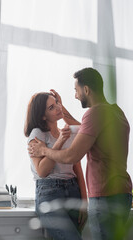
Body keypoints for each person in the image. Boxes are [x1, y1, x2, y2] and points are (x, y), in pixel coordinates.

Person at [28, 67, 133, 240]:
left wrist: (43, 150)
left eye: (76, 91)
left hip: (105, 195)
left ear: (86, 90)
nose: (76, 96)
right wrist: (62, 109)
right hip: (122, 194)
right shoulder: (115, 112)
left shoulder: (94, 114)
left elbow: (71, 156)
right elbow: (87, 131)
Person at [24, 92, 88, 240]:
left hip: (73, 191)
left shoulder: (67, 132)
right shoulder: (37, 134)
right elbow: (42, 171)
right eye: (52, 107)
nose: (58, 108)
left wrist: (84, 203)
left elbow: (77, 168)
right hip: (50, 193)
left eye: (57, 103)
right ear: (43, 116)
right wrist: (60, 141)